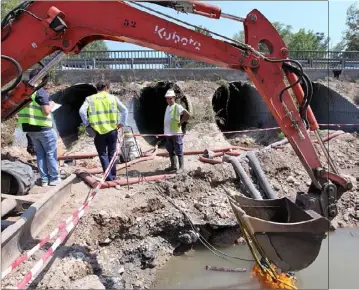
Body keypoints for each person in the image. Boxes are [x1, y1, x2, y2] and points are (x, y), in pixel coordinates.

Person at [17, 68, 60, 187]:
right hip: (44, 128)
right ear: (40, 78)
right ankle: (54, 179)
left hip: (30, 129)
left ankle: (44, 179)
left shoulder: (23, 92)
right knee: (50, 153)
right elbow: (46, 111)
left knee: (40, 154)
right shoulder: (39, 91)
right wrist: (51, 104)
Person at [79, 81, 128, 181]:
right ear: (106, 88)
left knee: (102, 154)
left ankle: (108, 177)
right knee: (112, 154)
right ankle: (113, 177)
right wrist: (122, 123)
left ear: (97, 89)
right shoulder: (113, 98)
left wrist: (87, 123)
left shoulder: (90, 99)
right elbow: (125, 110)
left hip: (98, 132)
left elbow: (81, 111)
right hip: (112, 130)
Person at [163, 89, 190, 174]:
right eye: (167, 98)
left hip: (176, 132)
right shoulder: (168, 107)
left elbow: (187, 114)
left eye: (170, 98)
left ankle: (181, 167)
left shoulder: (177, 106)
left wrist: (181, 123)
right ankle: (173, 166)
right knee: (170, 149)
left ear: (174, 98)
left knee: (178, 149)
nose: (169, 100)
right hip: (168, 132)